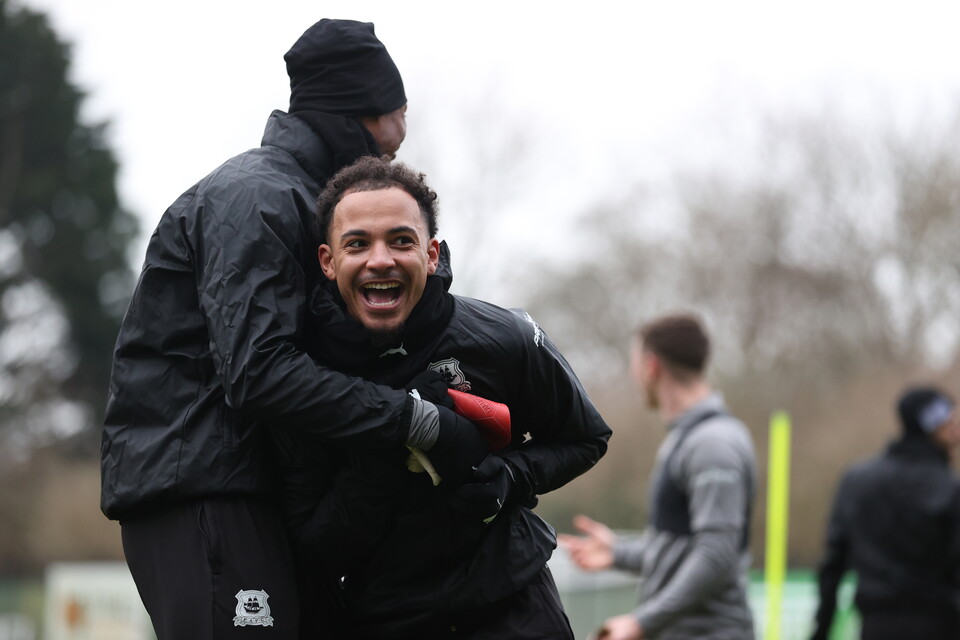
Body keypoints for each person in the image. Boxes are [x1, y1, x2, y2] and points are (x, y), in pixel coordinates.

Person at [100, 20, 490, 640]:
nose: (391, 163)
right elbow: (260, 373)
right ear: (363, 112)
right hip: (205, 490)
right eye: (388, 147)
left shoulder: (310, 199)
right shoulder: (256, 198)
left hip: (257, 494)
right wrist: (416, 421)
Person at [272, 156, 612, 639]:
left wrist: (508, 476)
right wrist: (395, 438)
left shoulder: (505, 336)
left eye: (401, 240)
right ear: (328, 261)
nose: (381, 259)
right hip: (384, 621)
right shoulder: (301, 375)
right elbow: (316, 550)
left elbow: (587, 438)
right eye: (358, 243)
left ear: (432, 254)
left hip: (515, 606)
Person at [559, 313, 757, 640]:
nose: (634, 375)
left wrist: (643, 622)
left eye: (634, 364)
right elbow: (684, 548)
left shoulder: (714, 443)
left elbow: (717, 552)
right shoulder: (686, 438)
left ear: (651, 367)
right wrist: (617, 553)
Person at [809, 386, 960, 640]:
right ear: (932, 424)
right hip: (941, 625)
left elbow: (832, 567)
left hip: (876, 626)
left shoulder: (858, 481)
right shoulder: (948, 487)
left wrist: (821, 630)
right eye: (950, 420)